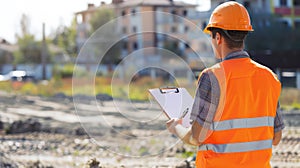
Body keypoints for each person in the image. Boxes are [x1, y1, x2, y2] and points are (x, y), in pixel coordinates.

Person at [166, 1, 285, 168]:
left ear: (218, 37)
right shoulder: (269, 77)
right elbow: (276, 137)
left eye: (211, 36)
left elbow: (196, 137)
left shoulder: (212, 77)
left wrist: (176, 127)